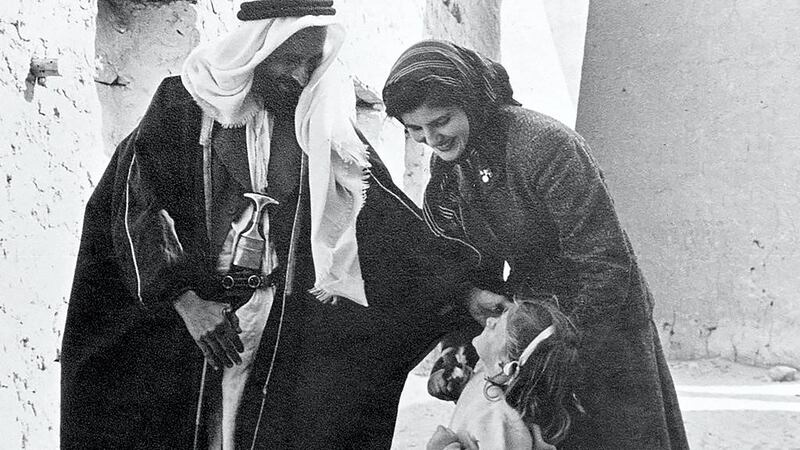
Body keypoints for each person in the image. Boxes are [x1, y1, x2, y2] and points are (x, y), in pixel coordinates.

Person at [60, 5, 478, 449]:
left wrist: (464, 290)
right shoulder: (184, 103)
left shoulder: (322, 118)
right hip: (189, 320)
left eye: (310, 62)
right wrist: (187, 301)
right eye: (289, 58)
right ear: (259, 46)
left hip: (278, 326)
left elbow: (385, 218)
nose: (300, 76)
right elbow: (137, 204)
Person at [382, 40, 690, 449]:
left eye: (440, 121)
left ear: (472, 102)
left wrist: (555, 359)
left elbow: (606, 264)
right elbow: (462, 256)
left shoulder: (544, 146)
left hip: (603, 325)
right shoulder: (451, 166)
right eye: (414, 129)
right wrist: (468, 314)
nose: (430, 139)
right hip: (530, 327)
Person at [427, 299, 583, 450]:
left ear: (504, 365)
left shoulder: (501, 421)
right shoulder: (489, 373)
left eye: (496, 326)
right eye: (498, 317)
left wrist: (443, 448)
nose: (489, 321)